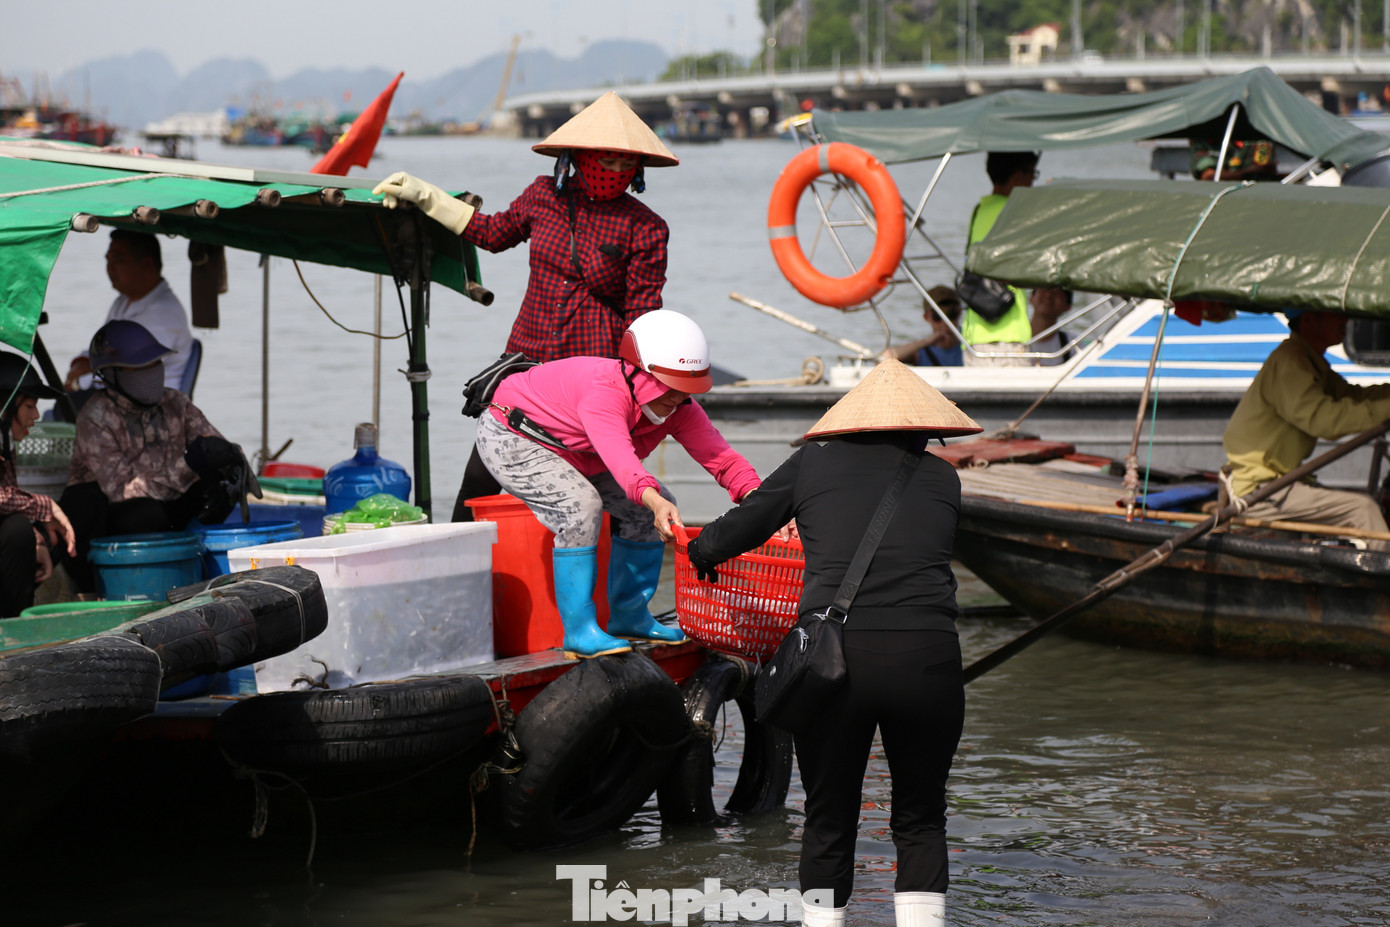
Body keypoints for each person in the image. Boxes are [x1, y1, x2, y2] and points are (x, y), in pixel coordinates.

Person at [686, 358, 983, 927]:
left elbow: (740, 527)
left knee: (829, 816)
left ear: (847, 422)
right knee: (921, 818)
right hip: (929, 660)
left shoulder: (812, 463)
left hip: (834, 661)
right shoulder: (945, 477)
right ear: (923, 428)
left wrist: (700, 553)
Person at [371, 92, 680, 522]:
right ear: (579, 156)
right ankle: (460, 555)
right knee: (482, 472)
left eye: (623, 165)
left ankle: (587, 574)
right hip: (526, 363)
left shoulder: (646, 228)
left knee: (590, 485)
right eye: (604, 161)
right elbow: (493, 233)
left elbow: (642, 321)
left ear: (637, 169)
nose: (613, 173)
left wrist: (643, 391)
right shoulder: (542, 196)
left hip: (589, 372)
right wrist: (428, 199)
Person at [474, 310, 761, 659]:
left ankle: (630, 616)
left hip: (579, 450)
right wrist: (654, 502)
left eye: (685, 390)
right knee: (580, 507)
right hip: (514, 437)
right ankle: (579, 631)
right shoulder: (604, 393)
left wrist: (765, 504)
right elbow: (622, 461)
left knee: (648, 507)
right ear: (641, 374)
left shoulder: (679, 407)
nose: (675, 400)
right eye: (669, 389)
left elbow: (722, 459)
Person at [58, 320, 254, 592]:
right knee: (138, 512)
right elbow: (122, 491)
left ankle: (194, 562)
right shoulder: (96, 417)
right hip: (113, 522)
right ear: (111, 375)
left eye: (154, 364)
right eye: (139, 369)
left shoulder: (176, 404)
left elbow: (212, 441)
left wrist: (232, 462)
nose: (151, 374)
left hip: (168, 509)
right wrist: (189, 464)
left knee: (216, 486)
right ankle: (98, 583)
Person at [1222, 310, 1390, 549]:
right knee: (1363, 509)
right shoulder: (1291, 361)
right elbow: (1325, 420)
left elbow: (1352, 396)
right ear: (1310, 319)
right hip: (1260, 491)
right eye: (1337, 315)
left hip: (1277, 485)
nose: (1346, 321)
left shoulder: (1306, 359)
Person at [64, 230, 195, 395]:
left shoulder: (164, 313)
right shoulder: (122, 302)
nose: (110, 268)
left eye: (119, 261)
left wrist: (82, 377)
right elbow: (99, 349)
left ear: (146, 264)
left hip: (151, 408)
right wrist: (81, 365)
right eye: (108, 260)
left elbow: (132, 371)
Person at [0, 353, 75, 615]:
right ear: (6, 408)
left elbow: (10, 505)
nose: (36, 415)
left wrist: (39, 543)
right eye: (29, 406)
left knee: (48, 535)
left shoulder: (6, 445)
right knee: (19, 529)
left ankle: (16, 623)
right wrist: (45, 505)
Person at [961, 151, 1038, 365]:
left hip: (973, 334)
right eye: (1032, 173)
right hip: (1009, 335)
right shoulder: (1015, 211)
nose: (1032, 181)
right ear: (1016, 176)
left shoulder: (980, 210)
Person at [881, 286, 964, 367]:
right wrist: (927, 341)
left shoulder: (969, 343)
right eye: (937, 316)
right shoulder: (922, 351)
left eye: (952, 315)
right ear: (927, 317)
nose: (945, 322)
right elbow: (883, 359)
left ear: (959, 313)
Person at [1190, 138, 1280, 181]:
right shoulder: (1205, 142)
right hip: (1227, 197)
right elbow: (1209, 176)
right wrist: (1250, 172)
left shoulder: (1259, 139)